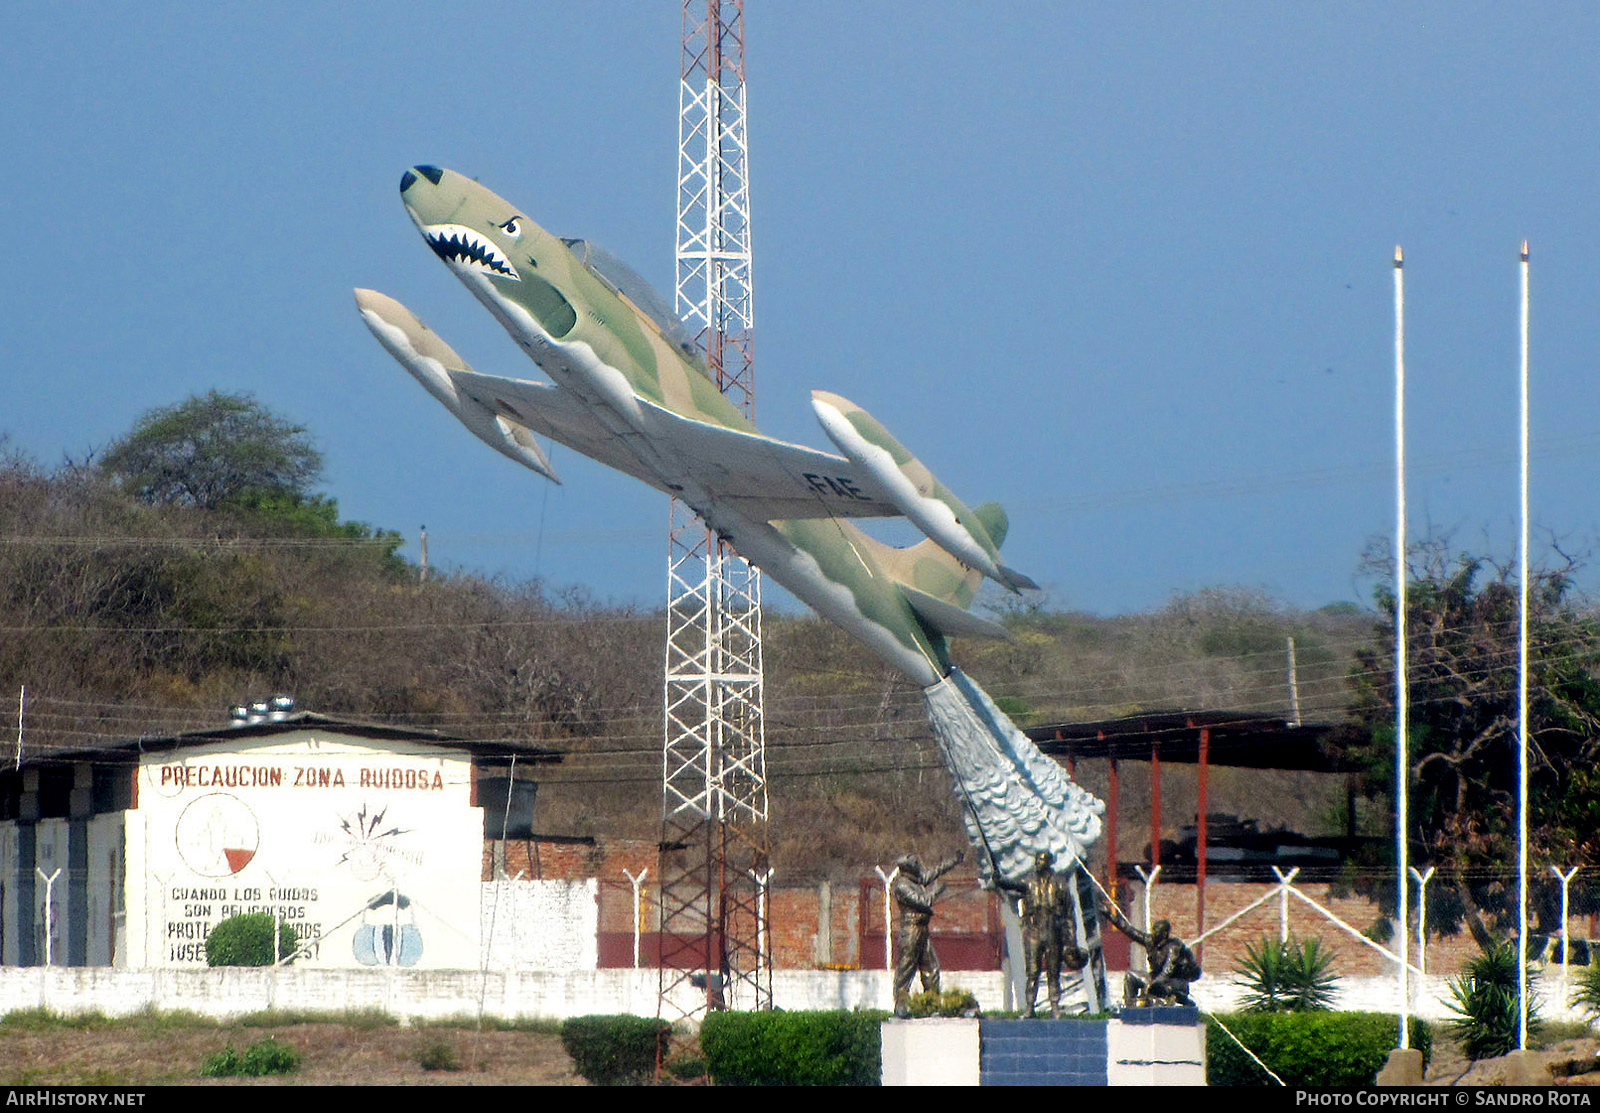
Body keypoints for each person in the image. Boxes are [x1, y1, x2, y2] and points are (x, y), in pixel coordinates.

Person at [995, 849, 1087, 1018]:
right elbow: (1013, 885)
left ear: (1048, 862)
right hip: (1034, 933)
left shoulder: (1060, 883)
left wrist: (1071, 941)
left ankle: (1055, 1007)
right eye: (1036, 860)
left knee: (1054, 972)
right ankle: (1029, 1008)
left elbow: (1068, 915)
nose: (1037, 863)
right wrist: (1000, 881)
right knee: (1032, 972)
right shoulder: (1029, 881)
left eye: (1041, 860)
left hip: (1053, 933)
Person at [891, 850, 964, 1017]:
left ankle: (931, 1004)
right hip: (911, 930)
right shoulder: (902, 886)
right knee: (906, 969)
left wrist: (953, 861)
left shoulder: (915, 881)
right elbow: (922, 902)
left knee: (931, 968)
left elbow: (933, 872)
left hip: (923, 929)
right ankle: (901, 1006)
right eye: (916, 865)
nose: (919, 868)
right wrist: (937, 891)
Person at [1100, 903, 1201, 1007]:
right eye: (1153, 931)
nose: (1153, 934)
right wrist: (1109, 915)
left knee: (1162, 988)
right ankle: (1130, 1009)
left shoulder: (1174, 947)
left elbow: (1167, 971)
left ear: (1164, 934)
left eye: (1157, 932)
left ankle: (1185, 1003)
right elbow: (1129, 930)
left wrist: (1152, 984)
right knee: (1130, 976)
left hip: (1173, 982)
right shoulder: (1150, 941)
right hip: (1155, 979)